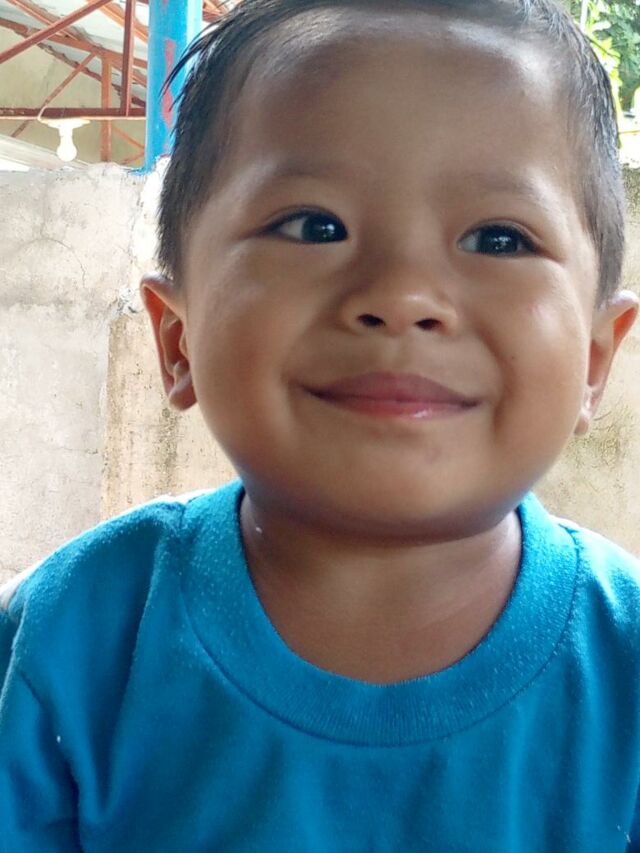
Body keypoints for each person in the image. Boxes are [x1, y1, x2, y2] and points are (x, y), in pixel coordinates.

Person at [2, 0, 639, 848]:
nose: (401, 295)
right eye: (314, 226)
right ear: (177, 338)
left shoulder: (627, 668)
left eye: (497, 238)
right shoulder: (74, 641)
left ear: (595, 358)